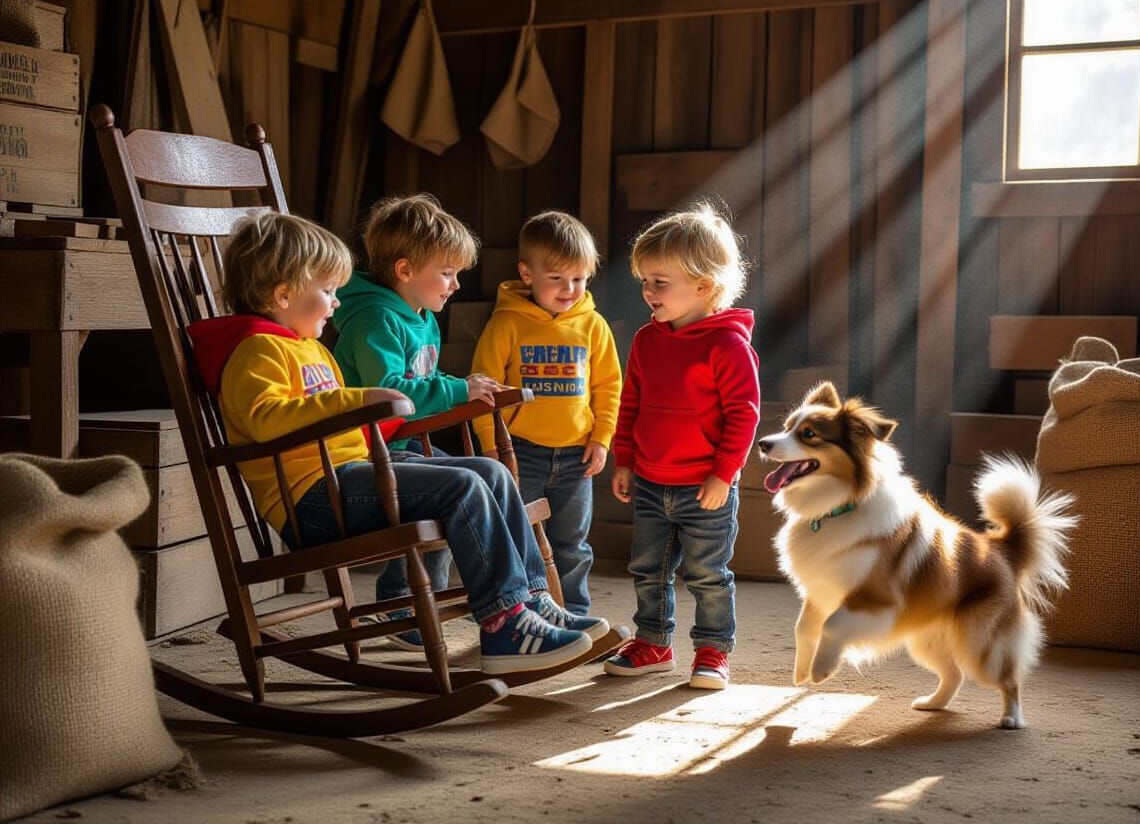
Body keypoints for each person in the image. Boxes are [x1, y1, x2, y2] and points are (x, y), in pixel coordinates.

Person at [187, 211, 610, 674]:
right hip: (312, 498)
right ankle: (504, 623)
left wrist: (353, 403)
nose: (335, 303)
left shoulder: (309, 347)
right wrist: (356, 399)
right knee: (465, 489)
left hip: (347, 478)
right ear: (283, 294)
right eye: (327, 291)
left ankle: (530, 602)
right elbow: (265, 421)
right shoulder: (256, 349)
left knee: (488, 471)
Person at [330, 194, 505, 649]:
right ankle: (402, 598)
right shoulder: (374, 317)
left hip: (397, 445)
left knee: (484, 476)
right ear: (405, 271)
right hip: (364, 450)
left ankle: (514, 601)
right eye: (446, 274)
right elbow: (391, 388)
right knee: (455, 491)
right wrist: (455, 391)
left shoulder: (421, 316)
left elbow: (423, 376)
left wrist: (461, 383)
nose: (455, 286)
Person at [603, 202, 760, 690]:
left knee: (708, 574)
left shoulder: (727, 346)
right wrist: (624, 461)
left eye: (660, 282)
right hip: (651, 481)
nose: (648, 291)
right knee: (647, 569)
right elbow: (630, 406)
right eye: (645, 280)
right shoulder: (648, 343)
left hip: (705, 488)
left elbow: (744, 415)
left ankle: (713, 651)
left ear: (704, 287)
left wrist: (723, 473)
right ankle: (654, 642)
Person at [470, 211, 622, 617]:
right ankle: (525, 612)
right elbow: (483, 392)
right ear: (527, 273)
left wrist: (601, 437)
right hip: (521, 451)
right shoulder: (505, 324)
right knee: (519, 535)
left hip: (576, 454)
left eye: (579, 278)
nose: (569, 289)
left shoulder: (593, 326)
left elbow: (608, 385)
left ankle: (573, 612)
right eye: (556, 278)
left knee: (572, 542)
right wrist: (492, 447)